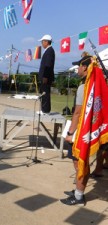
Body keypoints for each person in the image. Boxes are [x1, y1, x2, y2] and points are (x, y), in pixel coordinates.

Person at [60, 55, 92, 206]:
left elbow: (78, 113)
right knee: (81, 162)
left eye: (79, 66)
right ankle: (78, 191)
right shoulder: (93, 84)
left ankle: (79, 197)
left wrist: (70, 133)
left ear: (85, 67)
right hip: (89, 129)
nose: (77, 68)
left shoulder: (83, 86)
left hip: (80, 131)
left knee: (79, 162)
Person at [37, 34, 55, 115]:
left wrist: (45, 76)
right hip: (45, 76)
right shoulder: (48, 50)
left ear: (47, 42)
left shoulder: (50, 51)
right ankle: (44, 109)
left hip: (46, 76)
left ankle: (45, 110)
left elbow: (48, 65)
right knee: (43, 92)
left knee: (45, 93)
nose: (42, 43)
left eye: (43, 42)